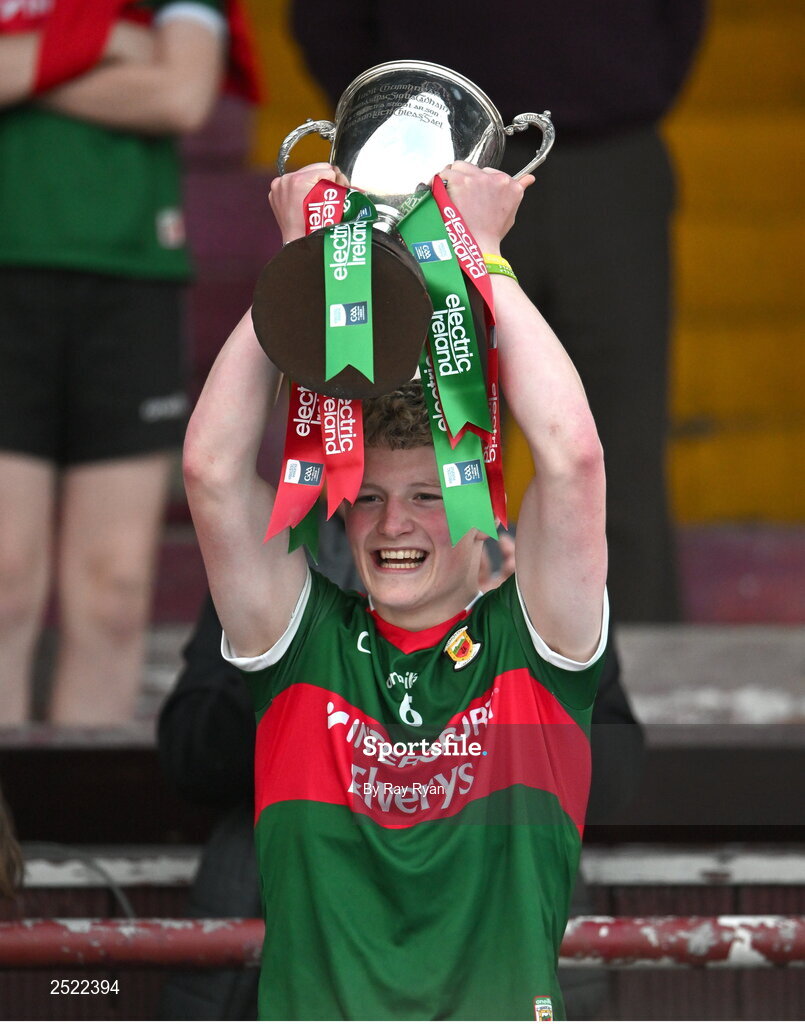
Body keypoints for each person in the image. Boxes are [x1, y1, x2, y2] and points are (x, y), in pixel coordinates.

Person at [183, 160, 608, 1019]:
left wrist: (483, 256)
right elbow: (211, 469)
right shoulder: (304, 650)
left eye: (425, 498)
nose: (392, 524)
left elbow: (571, 457)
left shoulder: (534, 650)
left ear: (476, 509)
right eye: (368, 498)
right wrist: (301, 266)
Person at [291, 0, 706, 624]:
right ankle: (425, 677)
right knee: (428, 438)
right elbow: (329, 21)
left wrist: (625, 81)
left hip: (610, 163)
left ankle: (627, 685)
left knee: (621, 445)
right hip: (430, 173)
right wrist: (402, 125)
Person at [0, 2, 229, 724]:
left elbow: (181, 95)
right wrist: (113, 44)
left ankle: (75, 829)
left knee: (116, 589)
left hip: (133, 280)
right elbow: (154, 85)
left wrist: (28, 62)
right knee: (3, 579)